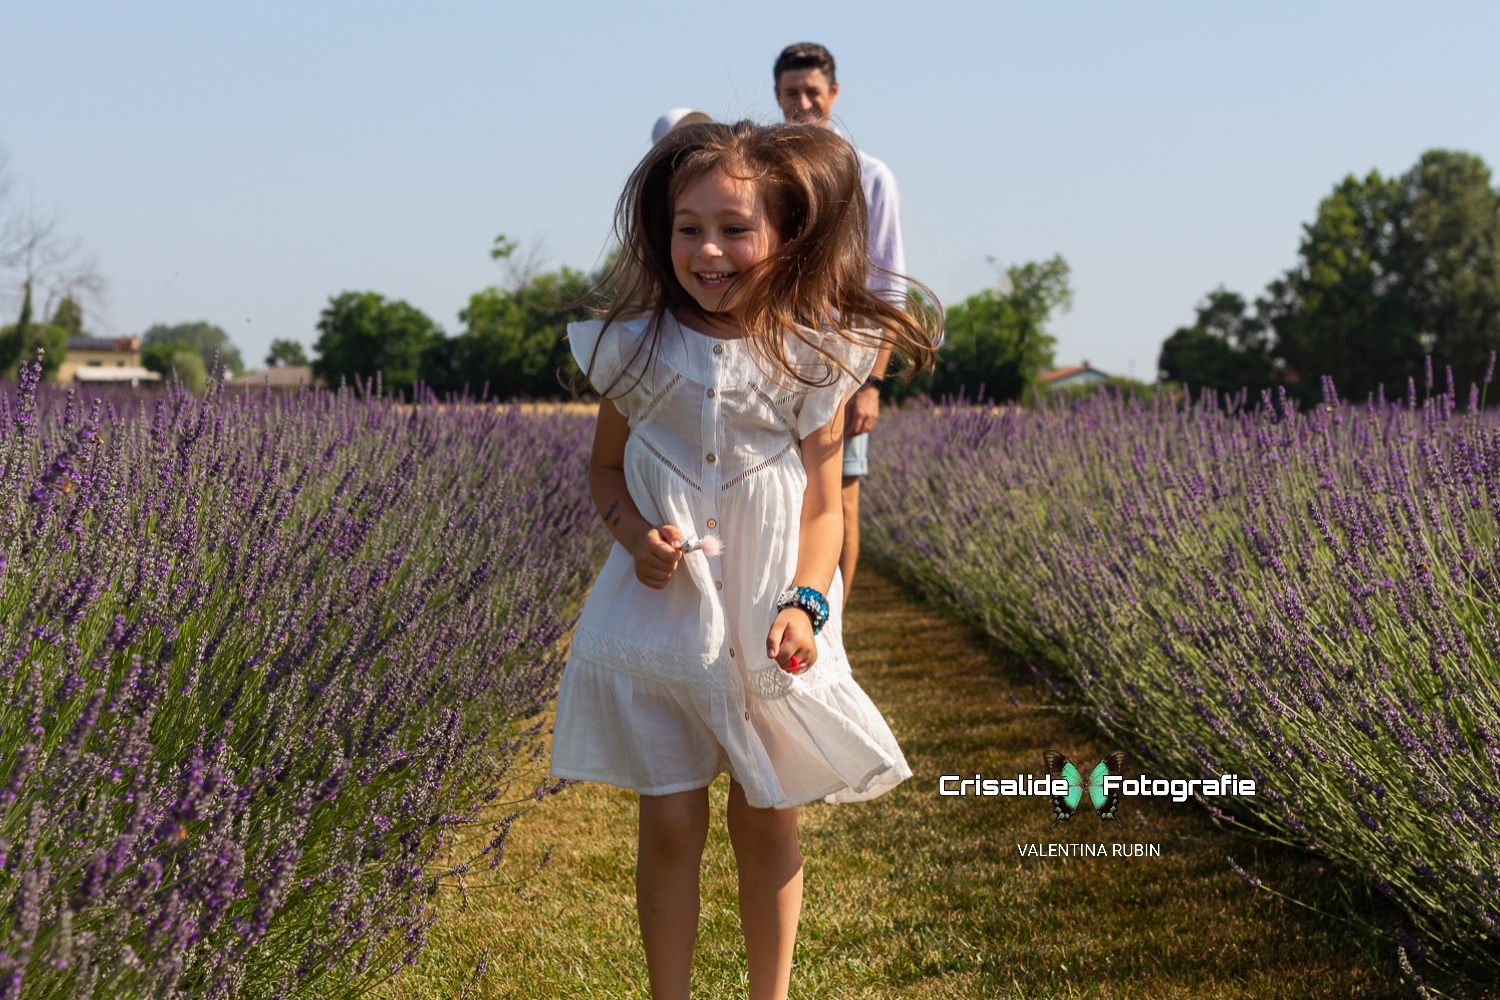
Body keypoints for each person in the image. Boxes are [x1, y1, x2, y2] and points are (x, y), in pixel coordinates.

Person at [550, 120, 938, 1000]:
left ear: (785, 237)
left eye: (734, 228)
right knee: (673, 818)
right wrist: (630, 533)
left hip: (775, 619)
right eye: (688, 228)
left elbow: (825, 507)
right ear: (661, 233)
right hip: (666, 620)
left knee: (767, 815)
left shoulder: (814, 354)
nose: (709, 250)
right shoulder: (636, 348)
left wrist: (808, 601)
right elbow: (605, 470)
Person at [774, 42, 905, 603]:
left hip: (843, 366)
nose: (802, 104)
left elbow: (888, 290)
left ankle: (834, 630)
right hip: (775, 360)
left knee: (841, 499)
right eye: (790, 94)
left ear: (834, 94)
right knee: (779, 496)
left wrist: (871, 382)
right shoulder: (768, 172)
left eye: (812, 93)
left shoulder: (870, 177)